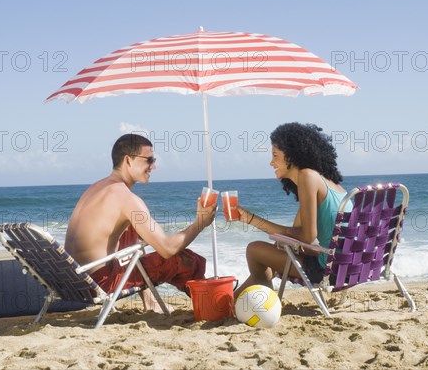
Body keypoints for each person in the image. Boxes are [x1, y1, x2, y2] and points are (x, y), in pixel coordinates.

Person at [65, 134, 216, 312]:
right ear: (128, 160)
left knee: (131, 228)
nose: (153, 166)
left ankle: (150, 300)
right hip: (100, 284)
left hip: (73, 283)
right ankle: (212, 304)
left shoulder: (96, 188)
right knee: (185, 259)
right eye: (149, 160)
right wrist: (200, 223)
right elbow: (167, 249)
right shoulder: (127, 199)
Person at [233, 122, 351, 296]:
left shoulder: (307, 176)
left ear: (292, 156)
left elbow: (307, 237)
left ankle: (264, 304)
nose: (271, 162)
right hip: (350, 267)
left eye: (275, 155)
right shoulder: (326, 184)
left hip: (329, 271)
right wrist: (250, 219)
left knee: (254, 249)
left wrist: (252, 219)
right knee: (279, 247)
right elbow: (295, 238)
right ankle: (233, 299)